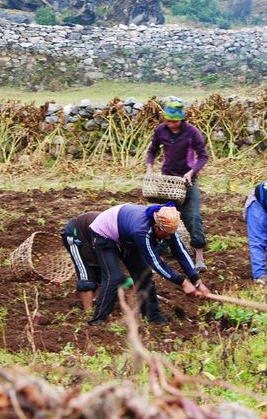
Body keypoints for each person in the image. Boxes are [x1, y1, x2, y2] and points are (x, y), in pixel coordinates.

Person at [87, 203, 210, 326]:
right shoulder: (142, 231)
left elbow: (181, 252)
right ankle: (98, 321)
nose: (168, 237)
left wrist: (197, 281)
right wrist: (183, 282)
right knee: (113, 277)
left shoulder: (168, 229)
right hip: (104, 234)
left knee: (143, 275)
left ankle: (152, 316)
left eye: (171, 234)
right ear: (157, 227)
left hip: (126, 236)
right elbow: (156, 262)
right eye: (166, 234)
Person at [146, 96, 209, 271]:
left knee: (193, 218)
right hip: (168, 183)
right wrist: (150, 168)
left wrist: (191, 172)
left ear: (181, 119)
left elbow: (203, 156)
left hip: (188, 182)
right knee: (162, 218)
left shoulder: (192, 132)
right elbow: (152, 151)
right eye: (168, 121)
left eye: (175, 122)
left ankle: (199, 258)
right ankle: (157, 254)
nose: (171, 125)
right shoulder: (161, 131)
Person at [61, 211, 100, 311]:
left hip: (94, 237)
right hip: (75, 234)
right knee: (85, 272)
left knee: (103, 271)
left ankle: (96, 301)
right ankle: (88, 311)